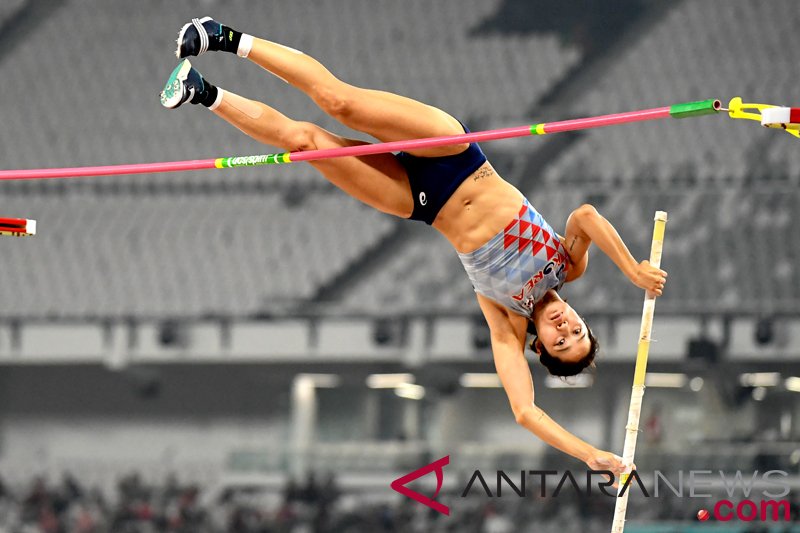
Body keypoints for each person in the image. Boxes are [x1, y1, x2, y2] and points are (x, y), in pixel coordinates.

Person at [160, 17, 668, 478]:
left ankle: (203, 93)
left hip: (421, 202)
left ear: (539, 346)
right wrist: (632, 270)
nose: (565, 327)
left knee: (307, 142)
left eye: (561, 342)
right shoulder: (567, 267)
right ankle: (224, 37)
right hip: (454, 154)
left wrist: (589, 455)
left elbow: (524, 411)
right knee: (341, 103)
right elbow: (585, 216)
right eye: (578, 330)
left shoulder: (506, 324)